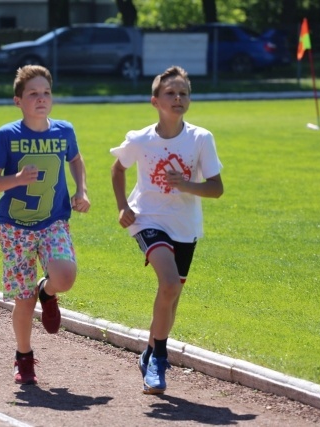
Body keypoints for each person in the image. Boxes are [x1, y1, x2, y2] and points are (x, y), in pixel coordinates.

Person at [110, 65, 224, 394]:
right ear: (155, 101)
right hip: (147, 219)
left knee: (171, 298)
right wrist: (123, 206)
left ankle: (148, 353)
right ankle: (160, 360)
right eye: (170, 93)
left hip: (185, 226)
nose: (178, 98)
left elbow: (216, 189)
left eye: (183, 93)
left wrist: (186, 184)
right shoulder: (140, 139)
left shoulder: (201, 139)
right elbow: (117, 170)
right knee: (170, 283)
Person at [0, 65, 90, 385]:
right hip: (14, 228)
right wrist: (16, 179)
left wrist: (81, 190)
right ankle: (24, 356)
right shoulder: (7, 136)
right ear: (18, 101)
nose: (41, 99)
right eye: (33, 94)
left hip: (53, 221)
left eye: (46, 93)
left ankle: (50, 291)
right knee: (24, 300)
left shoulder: (63, 131)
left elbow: (76, 159)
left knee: (65, 275)